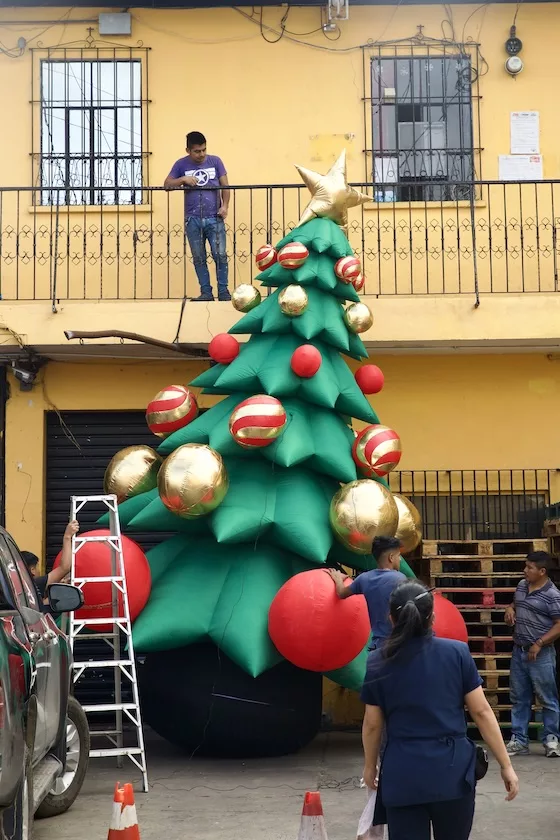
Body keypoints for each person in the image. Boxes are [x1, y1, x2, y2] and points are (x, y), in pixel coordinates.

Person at [361, 580, 519, 840]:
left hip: (403, 774)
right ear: (432, 617)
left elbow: (372, 724)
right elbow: (481, 712)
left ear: (391, 619)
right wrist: (506, 765)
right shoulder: (456, 653)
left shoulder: (378, 661)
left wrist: (370, 767)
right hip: (452, 772)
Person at [504, 550, 560, 758]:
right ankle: (519, 740)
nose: (525, 570)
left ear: (542, 571)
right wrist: (510, 609)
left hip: (541, 655)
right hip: (519, 652)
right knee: (519, 698)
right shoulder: (521, 586)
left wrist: (539, 643)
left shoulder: (552, 595)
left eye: (529, 567)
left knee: (547, 698)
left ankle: (551, 739)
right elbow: (516, 604)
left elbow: (559, 625)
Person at [164, 131, 231, 302]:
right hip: (192, 219)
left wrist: (225, 207)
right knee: (199, 257)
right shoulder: (181, 164)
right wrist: (183, 179)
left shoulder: (215, 161)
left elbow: (226, 186)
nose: (201, 154)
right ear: (188, 150)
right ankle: (206, 292)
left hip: (214, 217)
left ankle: (223, 291)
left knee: (220, 255)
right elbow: (166, 184)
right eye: (197, 151)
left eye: (204, 150)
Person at [328, 536, 406, 651]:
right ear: (391, 557)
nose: (399, 560)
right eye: (398, 556)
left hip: (377, 646)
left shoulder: (364, 579)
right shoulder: (400, 578)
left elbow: (341, 593)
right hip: (398, 645)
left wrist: (338, 578)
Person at [23, 520, 79, 611]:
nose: (38, 571)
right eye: (37, 567)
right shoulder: (33, 585)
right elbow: (64, 567)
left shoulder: (15, 590)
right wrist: (67, 537)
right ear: (32, 569)